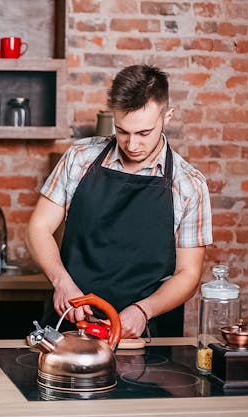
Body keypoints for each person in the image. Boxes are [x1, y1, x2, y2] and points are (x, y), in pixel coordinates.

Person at [26, 64, 212, 338]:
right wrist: (62, 282)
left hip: (146, 332)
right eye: (122, 131)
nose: (132, 144)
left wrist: (143, 310)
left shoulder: (189, 184)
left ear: (167, 116)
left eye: (144, 133)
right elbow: (37, 229)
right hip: (71, 322)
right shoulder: (80, 158)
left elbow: (188, 273)